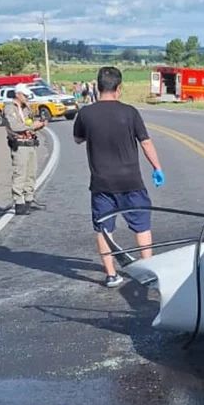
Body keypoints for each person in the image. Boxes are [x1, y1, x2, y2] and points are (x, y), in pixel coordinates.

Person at [73, 66, 165, 288]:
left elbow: (78, 139)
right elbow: (145, 141)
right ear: (119, 88)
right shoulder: (130, 112)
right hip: (131, 181)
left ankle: (111, 275)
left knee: (104, 229)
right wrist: (157, 167)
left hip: (101, 184)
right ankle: (149, 271)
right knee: (142, 227)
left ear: (97, 86)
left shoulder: (85, 113)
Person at [4, 84, 47, 215]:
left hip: (30, 143)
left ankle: (29, 199)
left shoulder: (26, 108)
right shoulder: (10, 108)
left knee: (31, 173)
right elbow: (15, 126)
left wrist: (40, 124)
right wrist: (33, 126)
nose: (27, 97)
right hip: (19, 145)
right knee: (20, 174)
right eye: (25, 95)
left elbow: (29, 123)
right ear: (18, 94)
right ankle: (19, 202)